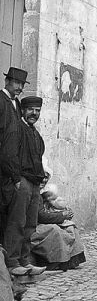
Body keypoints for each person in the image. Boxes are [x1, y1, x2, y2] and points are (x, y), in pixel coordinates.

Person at [2, 95, 48, 282]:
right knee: (17, 222)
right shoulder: (16, 129)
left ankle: (24, 259)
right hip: (22, 182)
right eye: (30, 110)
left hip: (35, 183)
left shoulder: (35, 133)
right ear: (23, 110)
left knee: (30, 224)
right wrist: (16, 179)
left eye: (37, 111)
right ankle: (12, 262)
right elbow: (8, 155)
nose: (34, 114)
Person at [30, 184, 86, 270]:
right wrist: (62, 216)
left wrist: (65, 214)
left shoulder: (50, 200)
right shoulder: (36, 196)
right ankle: (55, 262)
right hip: (35, 225)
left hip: (47, 222)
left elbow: (57, 209)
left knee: (70, 226)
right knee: (55, 230)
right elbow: (41, 216)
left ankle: (72, 260)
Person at [0, 66, 27, 238]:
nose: (20, 87)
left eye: (22, 84)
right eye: (17, 82)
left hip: (11, 167)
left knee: (8, 211)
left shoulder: (17, 103)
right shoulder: (1, 100)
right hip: (2, 164)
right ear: (7, 81)